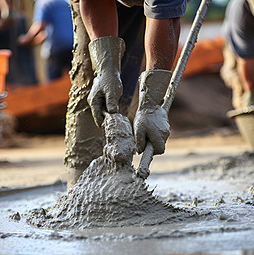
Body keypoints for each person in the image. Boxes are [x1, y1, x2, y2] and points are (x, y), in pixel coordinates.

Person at [64, 0, 187, 188]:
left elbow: (166, 18)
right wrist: (105, 69)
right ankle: (81, 189)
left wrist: (151, 103)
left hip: (147, 6)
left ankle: (116, 186)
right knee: (94, 83)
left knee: (122, 86)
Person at [18, 0, 73, 81]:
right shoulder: (65, 3)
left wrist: (25, 39)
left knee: (54, 82)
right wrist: (34, 41)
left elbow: (40, 25)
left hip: (57, 50)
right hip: (72, 45)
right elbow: (47, 33)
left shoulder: (43, 2)